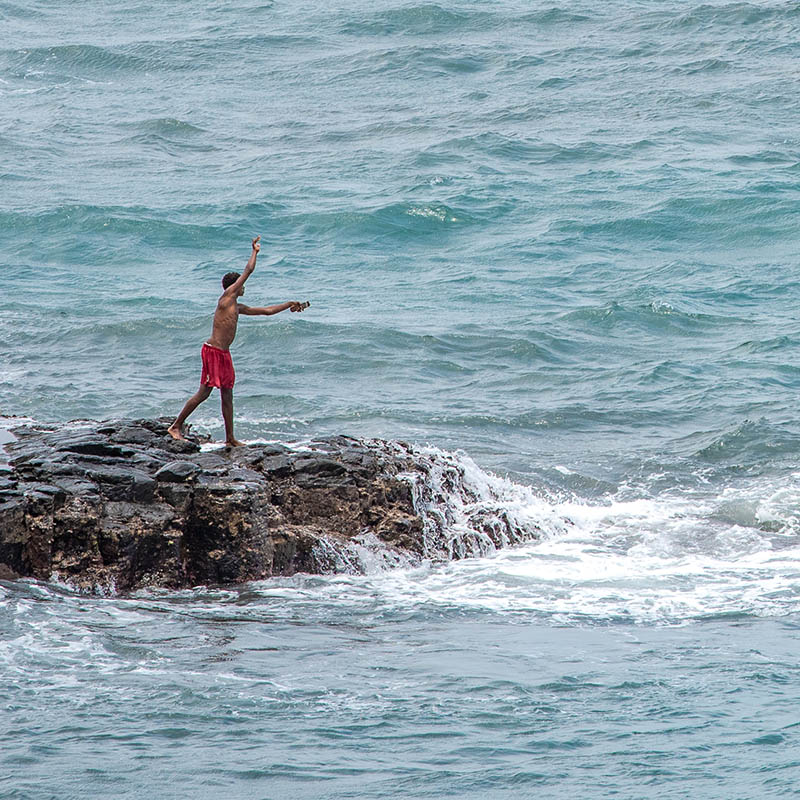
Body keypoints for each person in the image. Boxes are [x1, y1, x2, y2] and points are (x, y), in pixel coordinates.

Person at [168, 236, 305, 446]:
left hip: (224, 354)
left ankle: (230, 438)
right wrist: (255, 252)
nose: (244, 288)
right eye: (240, 286)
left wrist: (288, 304)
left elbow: (266, 311)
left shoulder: (237, 307)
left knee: (227, 395)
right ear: (233, 287)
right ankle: (176, 426)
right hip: (213, 351)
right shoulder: (227, 297)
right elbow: (248, 271)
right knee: (204, 393)